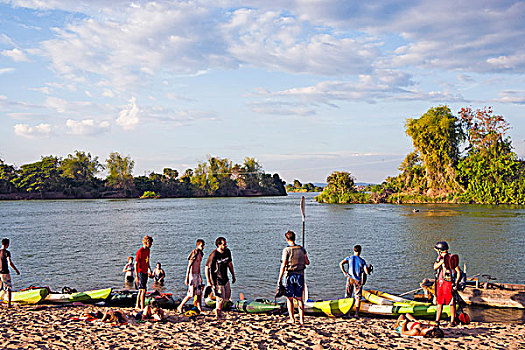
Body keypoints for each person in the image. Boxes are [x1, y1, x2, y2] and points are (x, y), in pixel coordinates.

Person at [277, 230, 310, 325]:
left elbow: (283, 264)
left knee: (289, 298)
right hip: (300, 275)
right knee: (300, 298)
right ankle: (301, 320)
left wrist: (279, 278)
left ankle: (292, 319)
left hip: (290, 275)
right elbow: (307, 262)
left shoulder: (286, 250)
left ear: (287, 239)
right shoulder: (302, 249)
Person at [205, 237, 235, 319]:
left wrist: (233, 275)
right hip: (217, 279)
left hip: (225, 278)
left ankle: (216, 309)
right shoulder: (214, 254)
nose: (226, 245)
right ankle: (218, 315)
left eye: (225, 243)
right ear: (218, 245)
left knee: (227, 298)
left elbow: (230, 264)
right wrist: (209, 281)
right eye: (224, 244)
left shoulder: (227, 252)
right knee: (220, 298)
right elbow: (207, 268)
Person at [433, 241, 461, 326]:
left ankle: (452, 321)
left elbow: (458, 272)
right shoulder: (439, 258)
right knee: (439, 302)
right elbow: (435, 267)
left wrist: (456, 283)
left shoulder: (451, 258)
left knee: (451, 302)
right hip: (441, 282)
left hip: (449, 283)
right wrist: (441, 262)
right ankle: (437, 320)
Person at [339, 245, 370, 318]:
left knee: (348, 295)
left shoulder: (349, 258)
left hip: (350, 279)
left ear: (354, 250)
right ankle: (356, 314)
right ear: (360, 251)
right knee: (358, 297)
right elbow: (366, 272)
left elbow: (341, 263)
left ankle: (347, 313)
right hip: (358, 280)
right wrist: (368, 270)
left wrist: (344, 272)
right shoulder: (362, 261)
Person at [177, 239, 205, 313]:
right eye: (201, 246)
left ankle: (199, 308)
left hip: (197, 275)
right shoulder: (194, 253)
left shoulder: (201, 254)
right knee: (190, 294)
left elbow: (198, 266)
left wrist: (200, 276)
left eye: (203, 246)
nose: (203, 247)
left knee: (199, 293)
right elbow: (189, 265)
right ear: (197, 245)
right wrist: (187, 277)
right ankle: (180, 306)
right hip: (192, 275)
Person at [0, 238, 20, 307]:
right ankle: (9, 304)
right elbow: (10, 263)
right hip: (5, 272)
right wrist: (16, 270)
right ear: (7, 244)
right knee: (8, 287)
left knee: (0, 287)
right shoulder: (7, 252)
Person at [135, 235, 153, 310]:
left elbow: (147, 261)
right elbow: (136, 263)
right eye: (150, 244)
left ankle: (137, 305)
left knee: (141, 290)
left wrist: (149, 269)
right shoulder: (140, 251)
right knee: (143, 290)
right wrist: (136, 276)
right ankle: (142, 306)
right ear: (146, 243)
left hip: (145, 271)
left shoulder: (148, 250)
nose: (151, 245)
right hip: (140, 272)